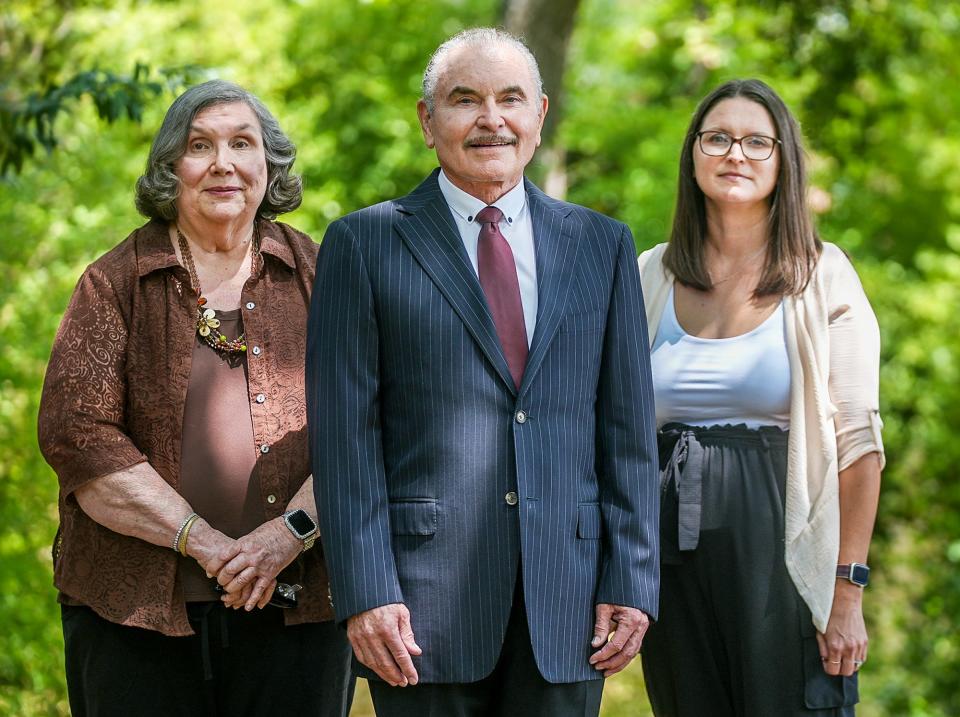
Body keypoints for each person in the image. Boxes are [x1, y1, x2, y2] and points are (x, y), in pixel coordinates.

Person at [307, 27, 659, 717]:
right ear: (426, 118)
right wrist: (367, 589)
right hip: (416, 610)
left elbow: (628, 432)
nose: (490, 119)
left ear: (540, 114)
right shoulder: (364, 243)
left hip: (569, 601)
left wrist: (632, 576)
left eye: (510, 99)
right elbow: (345, 440)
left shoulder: (602, 245)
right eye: (464, 99)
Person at [38, 80, 354, 717]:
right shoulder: (113, 282)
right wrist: (205, 543)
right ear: (168, 169)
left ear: (270, 165)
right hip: (132, 613)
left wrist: (289, 535)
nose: (223, 163)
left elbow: (372, 425)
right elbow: (81, 437)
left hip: (299, 602)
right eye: (199, 146)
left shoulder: (326, 274)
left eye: (243, 143)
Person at [637, 78, 884, 716]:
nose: (735, 155)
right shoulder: (649, 274)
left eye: (755, 142)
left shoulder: (823, 275)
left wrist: (847, 590)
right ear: (693, 154)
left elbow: (860, 446)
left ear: (783, 161)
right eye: (717, 138)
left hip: (784, 545)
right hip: (671, 555)